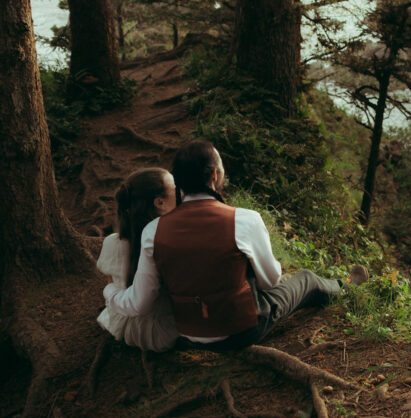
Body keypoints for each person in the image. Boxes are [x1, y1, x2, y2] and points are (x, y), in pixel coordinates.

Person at [104, 140, 365, 351]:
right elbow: (270, 281)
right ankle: (347, 288)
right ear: (214, 175)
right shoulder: (244, 219)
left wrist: (109, 291)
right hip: (242, 332)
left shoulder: (152, 231)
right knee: (307, 279)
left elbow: (140, 302)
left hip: (188, 336)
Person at [97, 168, 179, 352]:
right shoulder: (163, 240)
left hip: (138, 321)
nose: (181, 190)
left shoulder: (114, 242)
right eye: (175, 187)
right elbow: (138, 302)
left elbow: (114, 283)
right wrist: (109, 290)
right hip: (161, 330)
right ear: (160, 202)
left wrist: (110, 290)